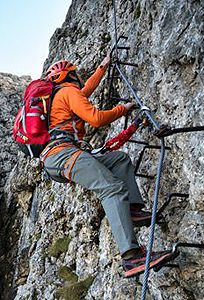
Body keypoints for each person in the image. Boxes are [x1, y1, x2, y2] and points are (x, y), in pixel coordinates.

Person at [40, 55, 175, 278]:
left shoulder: (60, 97)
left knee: (119, 160)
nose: (80, 78)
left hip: (58, 157)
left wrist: (103, 66)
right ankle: (131, 258)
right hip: (63, 154)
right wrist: (124, 108)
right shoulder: (68, 92)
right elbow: (96, 119)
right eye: (76, 74)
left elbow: (87, 90)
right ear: (71, 75)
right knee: (111, 189)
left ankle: (130, 210)